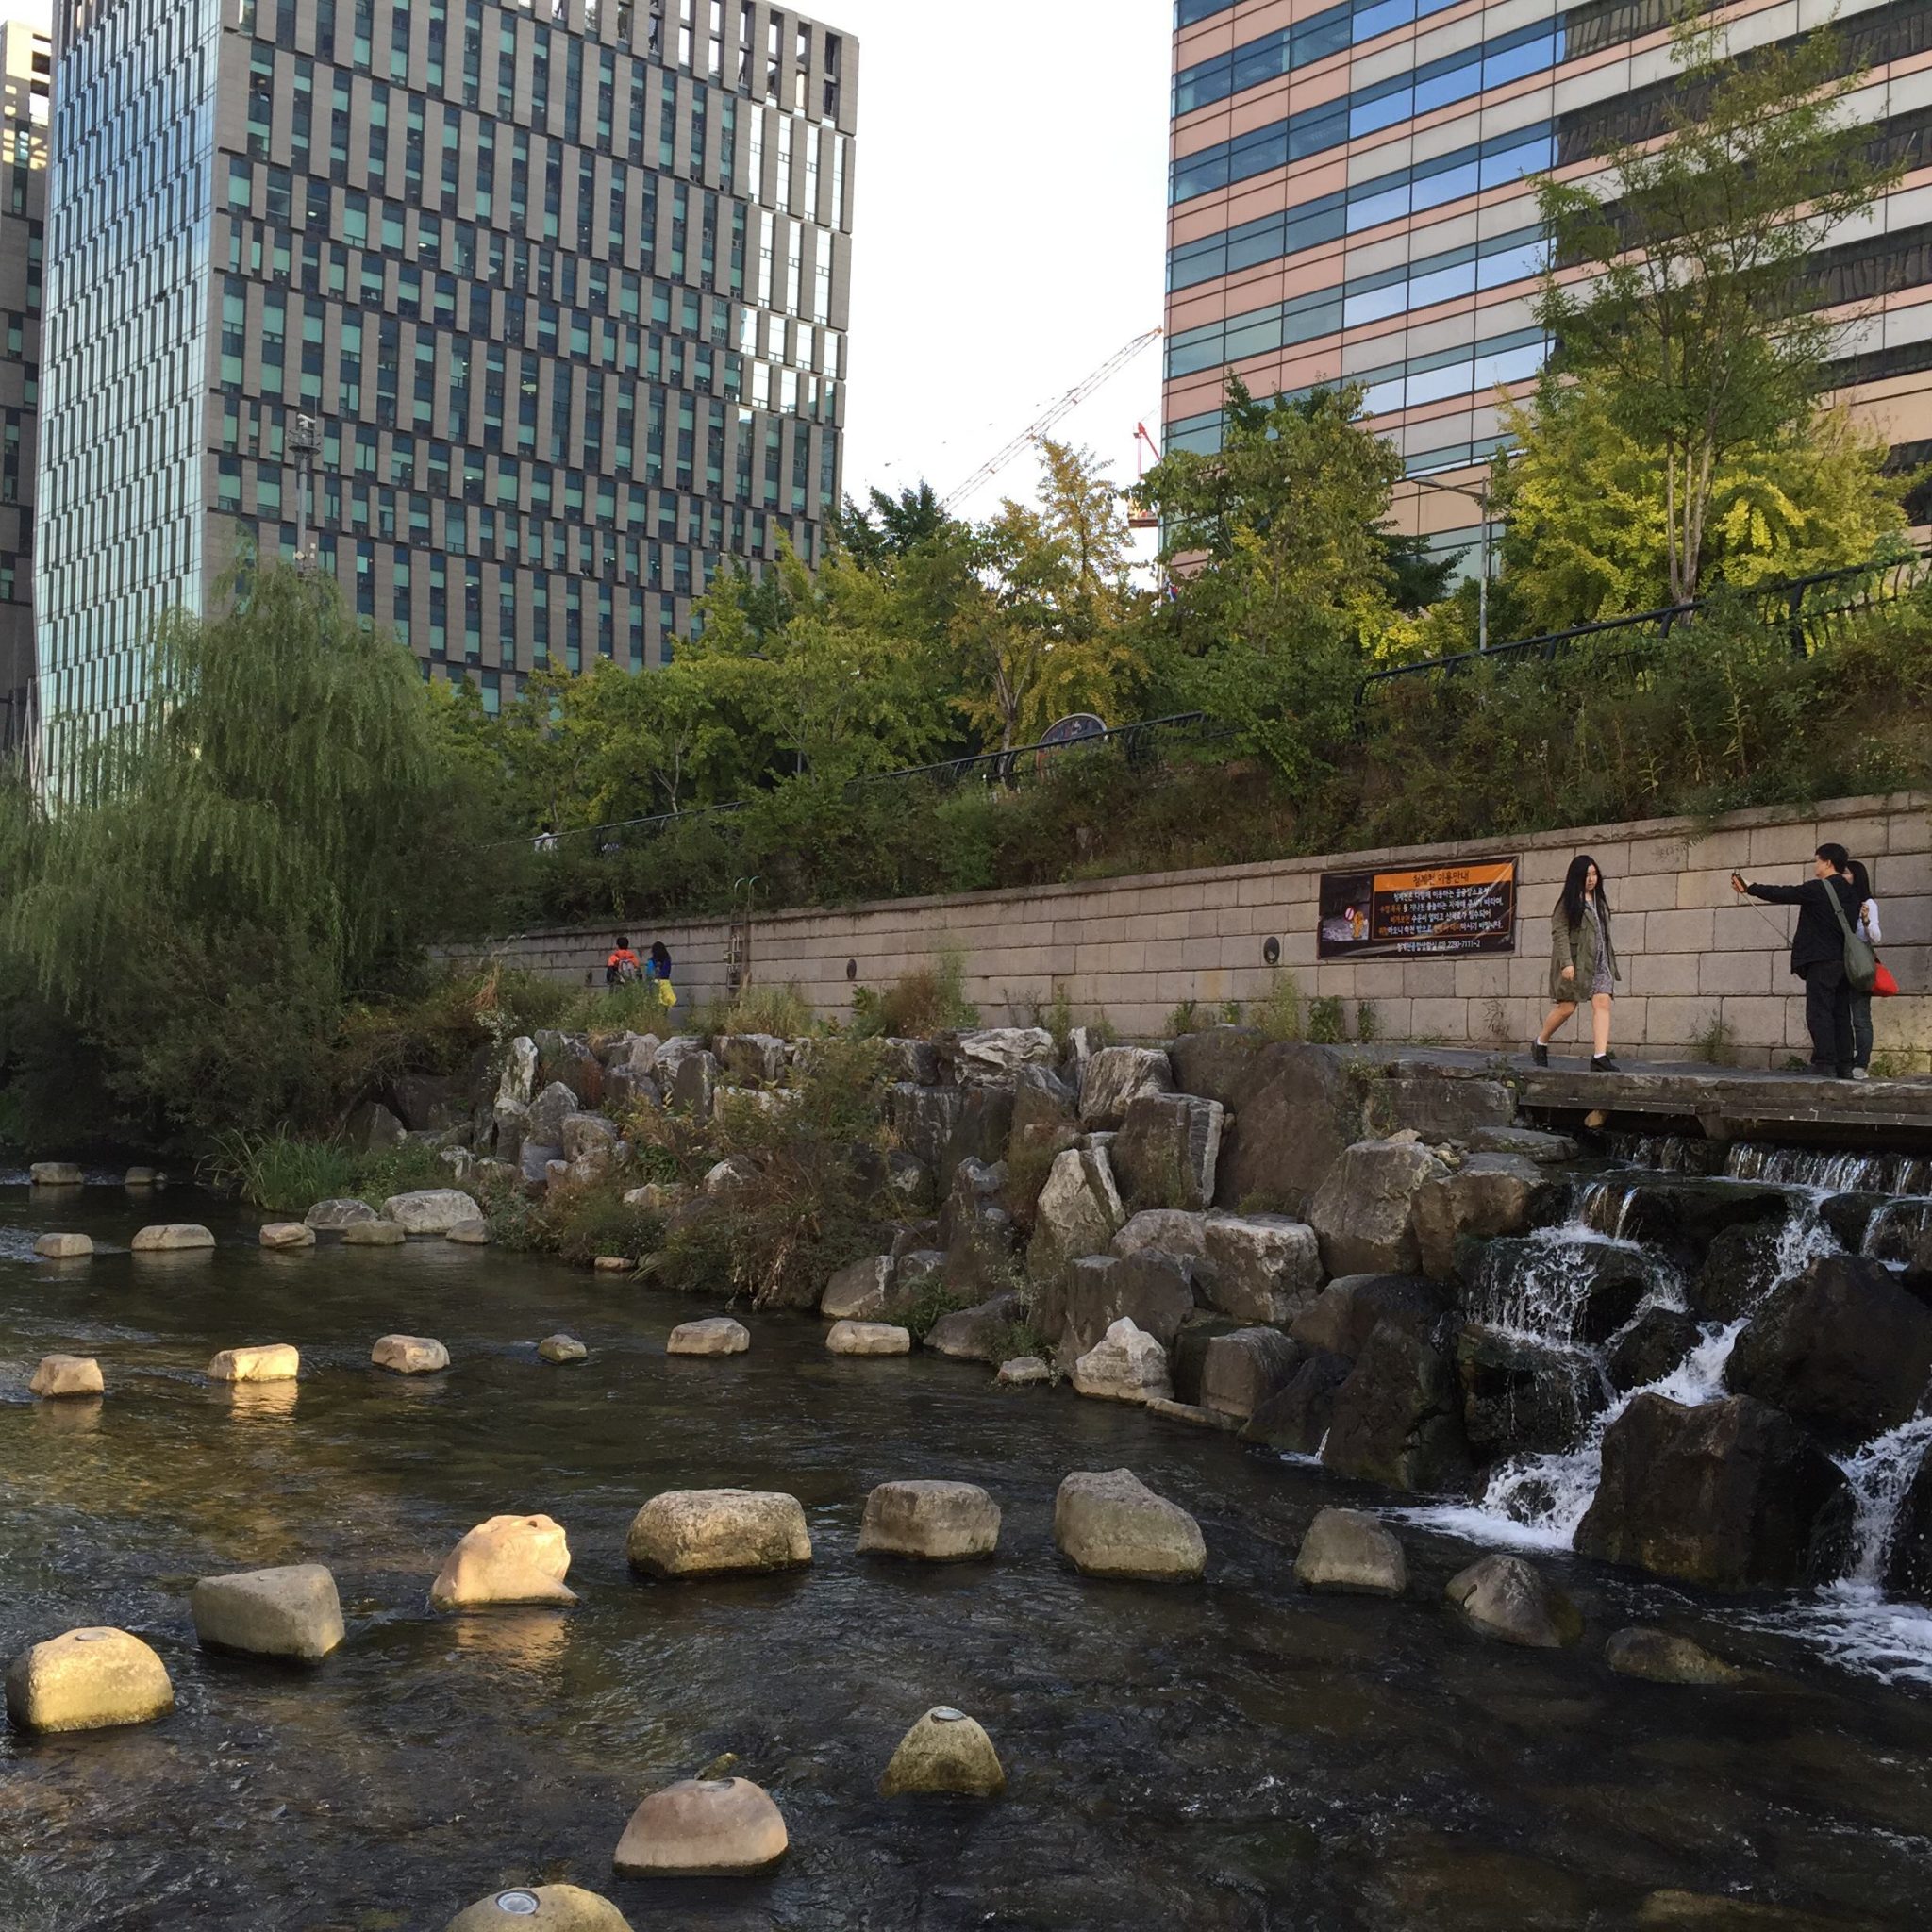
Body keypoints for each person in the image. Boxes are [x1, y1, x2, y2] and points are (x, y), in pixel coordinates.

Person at [1730, 844, 1864, 1078]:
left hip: (1821, 959)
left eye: (1817, 860)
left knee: (1819, 1011)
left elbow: (1784, 893)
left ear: (1828, 863)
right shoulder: (1850, 892)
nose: (1816, 865)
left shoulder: (1819, 888)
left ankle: (1824, 1063)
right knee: (1841, 1013)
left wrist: (1750, 887)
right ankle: (1844, 1064)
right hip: (1844, 961)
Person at [1532, 855, 1621, 1071]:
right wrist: (1566, 963)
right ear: (1576, 878)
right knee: (1567, 1007)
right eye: (1586, 875)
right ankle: (1540, 1042)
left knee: (1602, 1003)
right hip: (1576, 962)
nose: (1591, 879)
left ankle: (1599, 1056)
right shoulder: (1568, 902)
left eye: (1594, 874)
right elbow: (1559, 931)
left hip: (1600, 963)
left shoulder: (1598, 900)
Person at [1841, 857, 1882, 1081]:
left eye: (1846, 873)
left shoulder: (1867, 903)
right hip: (1838, 961)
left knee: (1860, 1017)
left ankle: (1861, 1063)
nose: (1843, 877)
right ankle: (1843, 1059)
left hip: (1858, 962)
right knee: (1840, 1015)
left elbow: (1876, 937)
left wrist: (1866, 920)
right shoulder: (1837, 900)